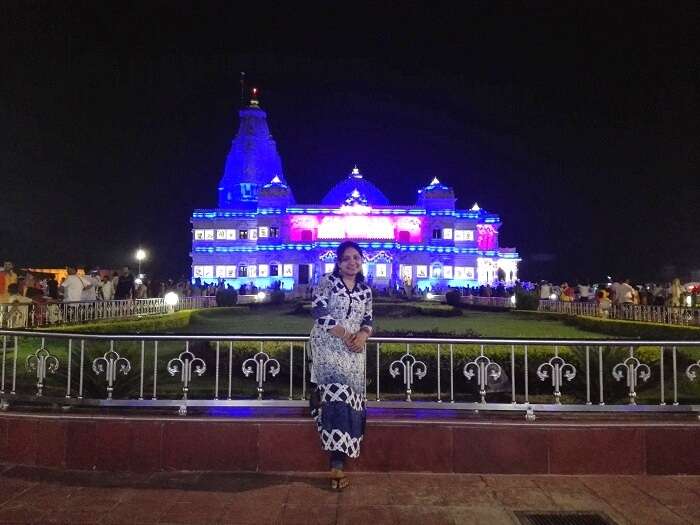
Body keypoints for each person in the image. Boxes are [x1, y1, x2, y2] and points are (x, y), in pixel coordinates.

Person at [309, 241, 373, 490]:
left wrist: (363, 336)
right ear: (338, 262)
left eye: (356, 257)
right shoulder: (327, 281)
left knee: (350, 401)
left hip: (354, 350)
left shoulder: (365, 290)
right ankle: (336, 465)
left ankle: (341, 458)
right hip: (328, 346)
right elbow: (318, 311)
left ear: (361, 261)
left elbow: (368, 319)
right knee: (336, 398)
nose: (352, 262)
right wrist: (347, 334)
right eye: (346, 258)